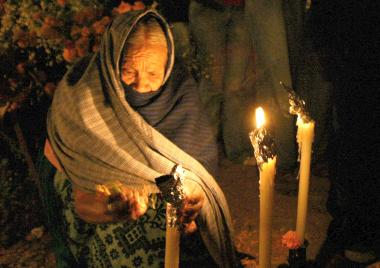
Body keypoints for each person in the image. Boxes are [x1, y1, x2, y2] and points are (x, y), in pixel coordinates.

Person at [40, 10, 237, 267]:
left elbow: (198, 177)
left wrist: (194, 197)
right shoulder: (85, 98)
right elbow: (83, 198)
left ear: (167, 66)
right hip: (100, 211)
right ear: (111, 62)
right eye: (128, 71)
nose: (141, 85)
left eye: (153, 74)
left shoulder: (179, 94)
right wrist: (112, 208)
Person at [309, 1, 380, 266]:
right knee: (353, 140)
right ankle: (352, 223)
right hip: (352, 51)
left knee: (361, 140)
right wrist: (323, 42)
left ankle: (362, 227)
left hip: (358, 46)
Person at [189, 0, 255, 162]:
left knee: (237, 84)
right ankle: (203, 152)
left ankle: (238, 150)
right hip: (208, 8)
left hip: (242, 9)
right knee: (212, 82)